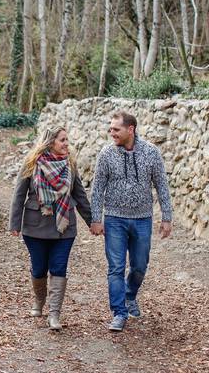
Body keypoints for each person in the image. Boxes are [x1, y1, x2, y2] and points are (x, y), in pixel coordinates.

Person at [89, 111, 173, 332]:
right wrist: (96, 218)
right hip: (114, 219)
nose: (112, 133)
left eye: (116, 129)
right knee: (115, 267)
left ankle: (130, 295)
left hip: (143, 219)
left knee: (139, 265)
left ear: (131, 129)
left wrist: (167, 217)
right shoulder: (106, 154)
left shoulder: (151, 153)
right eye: (111, 129)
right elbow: (97, 189)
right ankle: (119, 312)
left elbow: (162, 186)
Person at [9, 127, 92, 330]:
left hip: (64, 227)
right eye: (63, 140)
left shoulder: (69, 164)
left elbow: (80, 195)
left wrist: (93, 222)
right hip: (35, 225)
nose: (66, 144)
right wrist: (14, 223)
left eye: (67, 140)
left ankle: (54, 315)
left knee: (58, 268)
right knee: (39, 268)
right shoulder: (32, 163)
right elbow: (19, 195)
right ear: (50, 142)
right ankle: (39, 300)